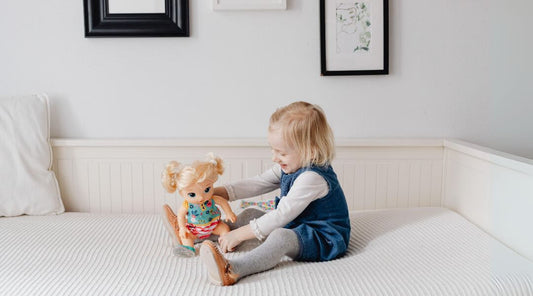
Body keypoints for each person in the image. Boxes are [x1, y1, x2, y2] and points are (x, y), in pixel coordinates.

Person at [199, 101, 351, 286]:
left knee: (280, 237)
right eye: (273, 150)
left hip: (323, 238)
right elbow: (259, 182)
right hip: (298, 225)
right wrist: (222, 192)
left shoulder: (313, 177)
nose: (274, 157)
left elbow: (281, 215)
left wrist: (239, 235)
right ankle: (200, 233)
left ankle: (233, 269)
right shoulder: (293, 165)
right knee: (251, 214)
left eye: (281, 153)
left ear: (310, 151)